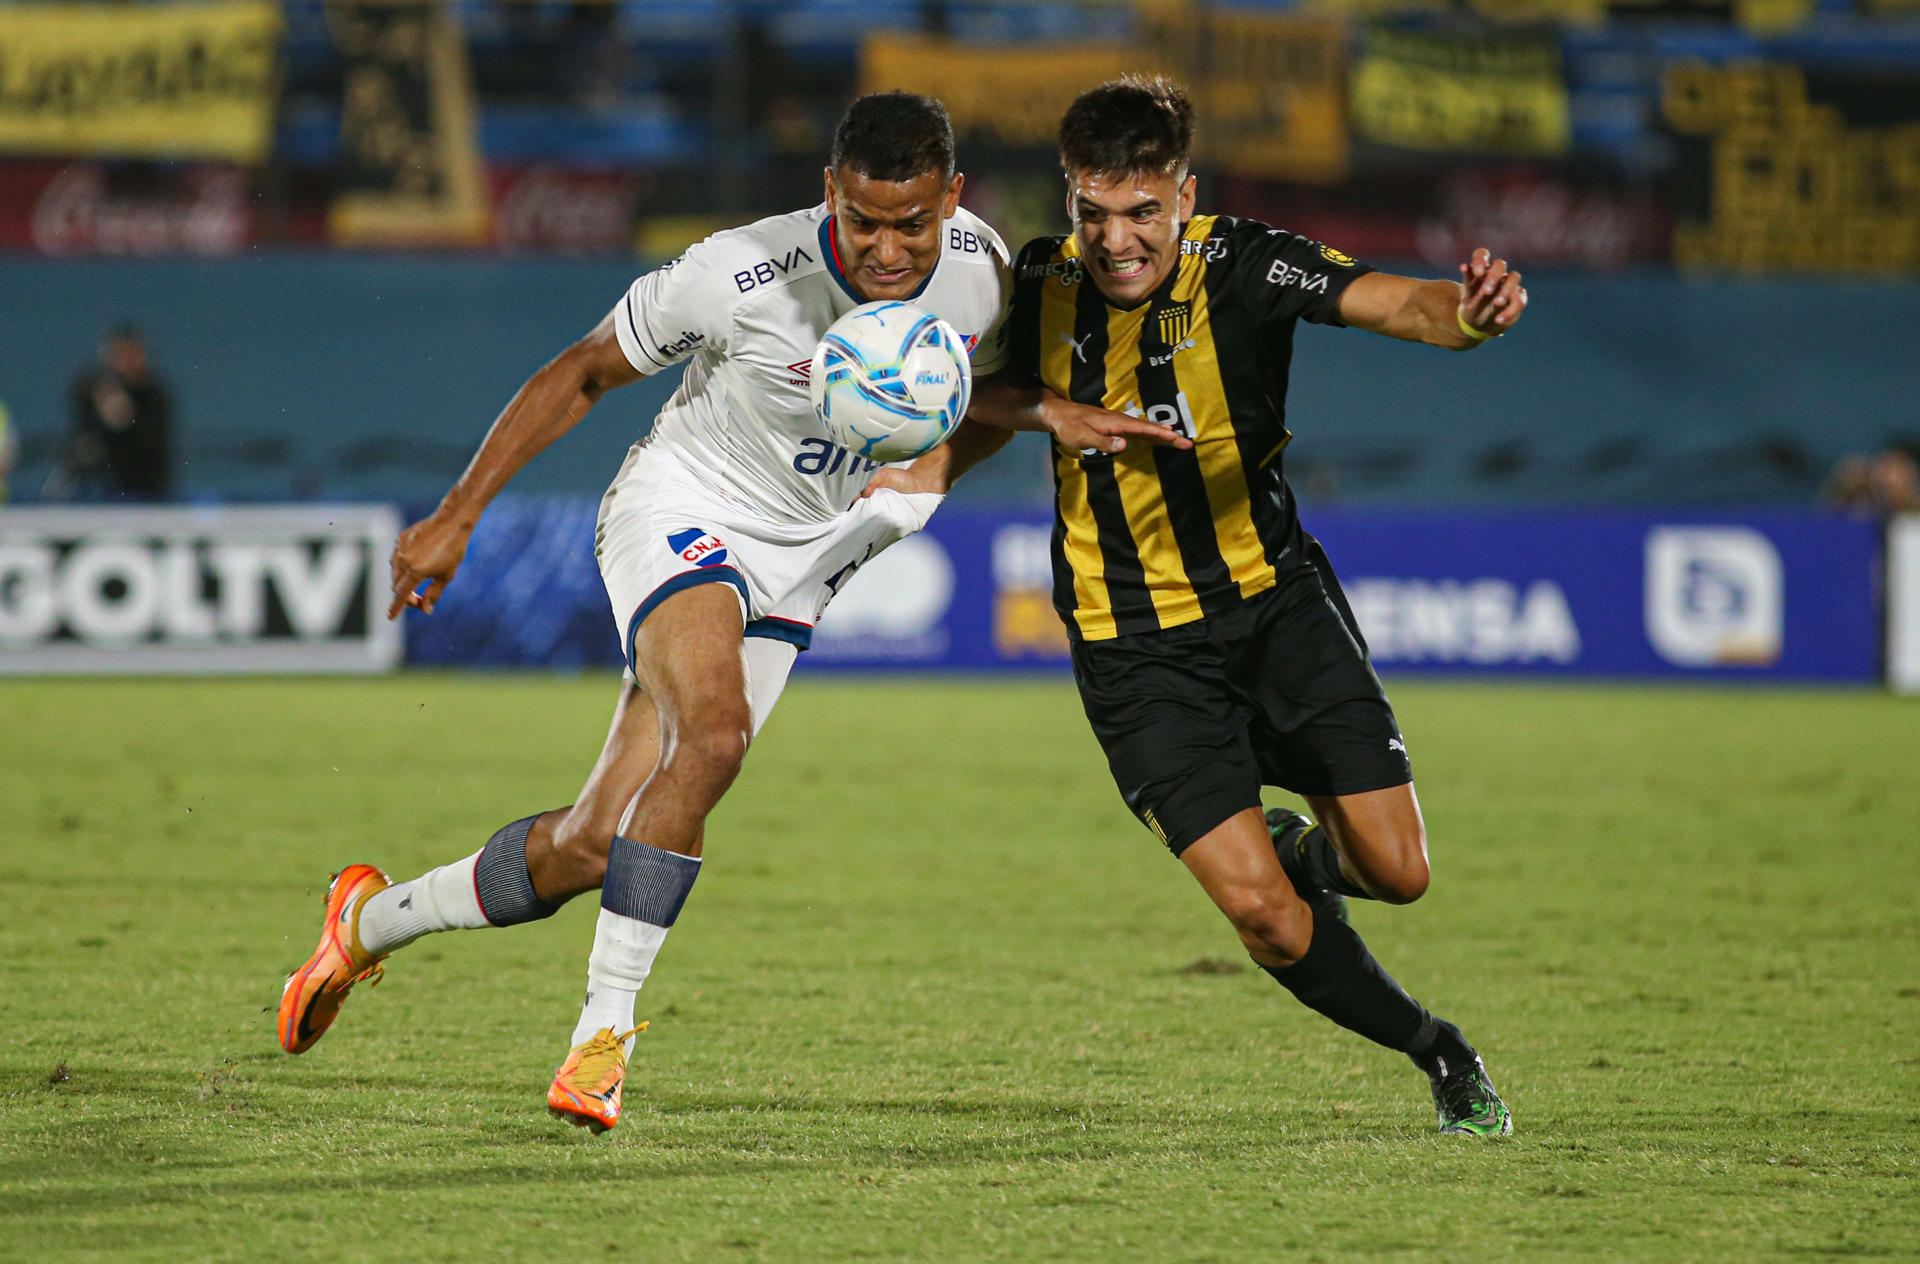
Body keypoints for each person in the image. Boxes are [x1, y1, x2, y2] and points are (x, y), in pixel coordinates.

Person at [277, 93, 1164, 1132]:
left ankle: (367, 920)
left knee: (591, 845)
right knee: (714, 736)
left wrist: (1025, 418)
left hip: (802, 559)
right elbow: (585, 369)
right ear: (829, 191)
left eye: (911, 223)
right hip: (683, 510)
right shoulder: (735, 273)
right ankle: (602, 1039)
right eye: (864, 220)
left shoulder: (985, 272)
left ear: (951, 199)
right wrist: (458, 512)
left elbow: (957, 392)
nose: (887, 249)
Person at [872, 76, 1528, 1136]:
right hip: (1135, 652)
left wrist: (1473, 314)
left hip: (1276, 611)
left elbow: (1403, 305)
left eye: (1141, 212)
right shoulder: (1034, 281)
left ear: (1184, 194)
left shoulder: (1248, 262)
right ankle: (1437, 1050)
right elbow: (971, 393)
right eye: (1093, 211)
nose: (1117, 239)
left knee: (1395, 872)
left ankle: (1304, 850)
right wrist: (1019, 423)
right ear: (1069, 196)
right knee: (1265, 916)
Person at [50, 324, 172, 502]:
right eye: (120, 354)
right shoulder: (95, 388)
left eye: (132, 353)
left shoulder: (155, 396)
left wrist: (123, 415)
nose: (127, 361)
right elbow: (81, 414)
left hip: (148, 491)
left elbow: (146, 442)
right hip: (102, 492)